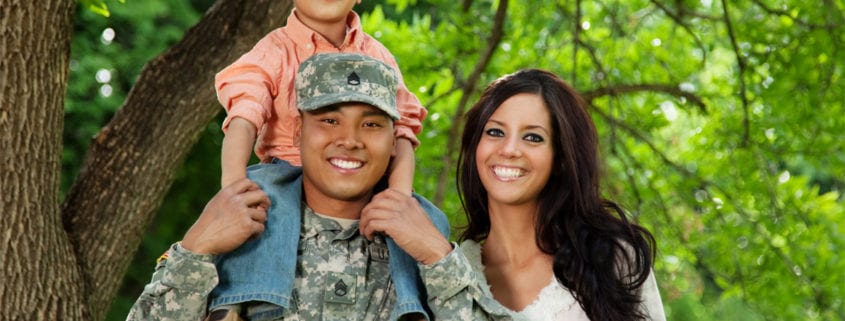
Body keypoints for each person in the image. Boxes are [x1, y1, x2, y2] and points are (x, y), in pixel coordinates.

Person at [126, 53, 449, 321]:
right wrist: (196, 250)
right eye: (329, 120)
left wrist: (439, 258)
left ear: (394, 141)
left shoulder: (426, 237)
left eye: (371, 124)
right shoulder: (238, 225)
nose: (350, 140)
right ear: (297, 133)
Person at [360, 69, 666, 321]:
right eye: (495, 132)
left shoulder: (611, 257)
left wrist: (438, 255)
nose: (509, 150)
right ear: (475, 146)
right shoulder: (449, 265)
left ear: (560, 158)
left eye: (533, 137)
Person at [218, 0, 424, 197]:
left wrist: (399, 193)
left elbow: (403, 127)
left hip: (361, 173)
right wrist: (233, 187)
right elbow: (244, 120)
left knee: (430, 217)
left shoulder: (376, 56)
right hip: (287, 174)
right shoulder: (273, 52)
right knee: (274, 222)